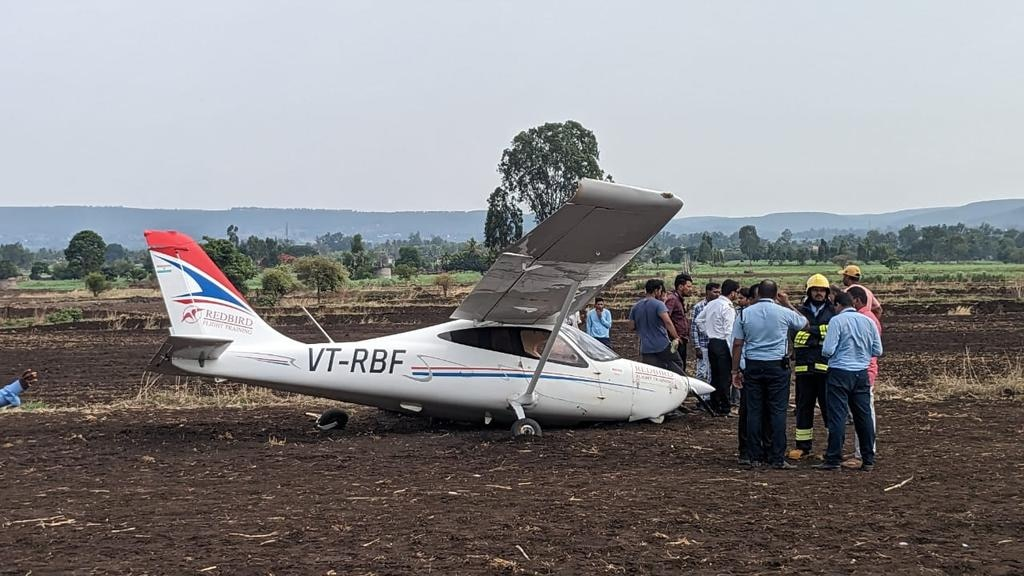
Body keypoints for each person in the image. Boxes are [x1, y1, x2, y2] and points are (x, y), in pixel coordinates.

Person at [731, 281, 809, 469]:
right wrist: (787, 304)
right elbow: (805, 325)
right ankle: (776, 457)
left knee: (754, 411)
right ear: (775, 295)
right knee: (777, 412)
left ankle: (754, 456)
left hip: (753, 366)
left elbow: (738, 344)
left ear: (757, 295)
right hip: (777, 367)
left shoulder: (744, 313)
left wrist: (735, 371)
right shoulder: (783, 312)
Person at [815, 291, 883, 472]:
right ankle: (868, 458)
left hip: (839, 373)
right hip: (861, 374)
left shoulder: (837, 321)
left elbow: (828, 350)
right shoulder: (868, 321)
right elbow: (878, 350)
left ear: (837, 305)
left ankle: (833, 458)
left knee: (838, 417)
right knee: (864, 416)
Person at [787, 273, 836, 460]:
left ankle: (832, 447)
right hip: (804, 369)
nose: (818, 293)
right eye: (815, 290)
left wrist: (809, 331)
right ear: (809, 292)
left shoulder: (834, 311)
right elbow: (795, 334)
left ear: (827, 292)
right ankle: (803, 446)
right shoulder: (799, 311)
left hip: (825, 368)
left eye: (822, 290)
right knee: (803, 407)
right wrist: (820, 332)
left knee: (829, 409)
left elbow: (832, 331)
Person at [845, 285, 882, 469]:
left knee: (863, 414)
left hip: (862, 371)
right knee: (864, 413)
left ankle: (862, 454)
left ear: (857, 301)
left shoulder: (862, 319)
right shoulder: (871, 317)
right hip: (867, 370)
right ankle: (863, 451)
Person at [695, 279, 740, 415]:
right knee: (725, 377)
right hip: (723, 343)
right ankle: (724, 408)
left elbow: (699, 320)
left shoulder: (711, 304)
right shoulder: (728, 307)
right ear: (732, 293)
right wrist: (733, 352)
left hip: (712, 343)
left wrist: (707, 332)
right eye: (736, 292)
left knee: (715, 375)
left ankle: (714, 405)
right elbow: (729, 331)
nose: (737, 295)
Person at [628, 279, 685, 375]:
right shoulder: (659, 304)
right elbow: (668, 322)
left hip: (646, 347)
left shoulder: (636, 307)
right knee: (677, 363)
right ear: (656, 291)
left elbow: (631, 326)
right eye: (660, 290)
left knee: (652, 372)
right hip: (662, 345)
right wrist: (676, 337)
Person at [664, 273, 694, 372]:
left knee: (681, 367)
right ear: (680, 287)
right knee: (678, 368)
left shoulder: (679, 300)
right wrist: (676, 336)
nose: (691, 289)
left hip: (680, 340)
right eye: (688, 286)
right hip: (675, 342)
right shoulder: (672, 299)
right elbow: (666, 318)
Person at [691, 282, 720, 383]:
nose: (717, 294)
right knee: (702, 371)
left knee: (714, 372)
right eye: (715, 292)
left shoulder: (719, 307)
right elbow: (694, 328)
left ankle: (711, 396)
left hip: (715, 344)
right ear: (708, 292)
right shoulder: (698, 307)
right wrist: (697, 347)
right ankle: (702, 396)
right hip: (703, 345)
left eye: (719, 292)